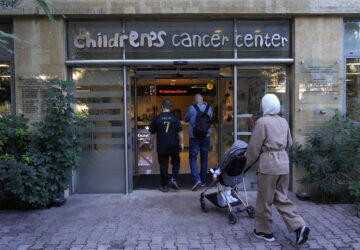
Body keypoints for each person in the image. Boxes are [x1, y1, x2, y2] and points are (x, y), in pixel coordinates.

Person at [246, 93, 310, 245]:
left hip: (269, 164)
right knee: (281, 197)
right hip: (283, 163)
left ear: (264, 106)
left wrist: (246, 162)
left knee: (264, 200)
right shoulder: (283, 121)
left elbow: (254, 148)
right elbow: (289, 143)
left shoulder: (262, 122)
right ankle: (299, 225)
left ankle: (264, 231)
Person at [149, 99, 184, 192]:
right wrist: (181, 143)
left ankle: (164, 186)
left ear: (162, 107)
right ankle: (173, 178)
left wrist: (151, 143)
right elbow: (180, 132)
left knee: (163, 166)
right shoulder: (175, 118)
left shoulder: (157, 118)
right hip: (174, 145)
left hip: (162, 146)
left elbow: (152, 133)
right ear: (171, 108)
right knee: (176, 162)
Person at [184, 94, 212, 191]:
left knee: (193, 158)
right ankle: (203, 181)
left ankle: (197, 179)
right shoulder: (209, 108)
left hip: (194, 137)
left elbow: (185, 119)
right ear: (202, 100)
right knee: (204, 159)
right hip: (206, 136)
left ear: (194, 101)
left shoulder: (191, 108)